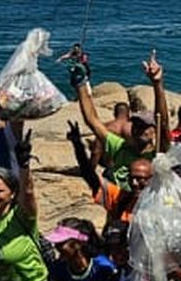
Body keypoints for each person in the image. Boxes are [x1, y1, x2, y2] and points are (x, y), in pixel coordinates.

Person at [72, 52, 169, 190]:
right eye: (136, 125)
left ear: (154, 130)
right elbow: (92, 120)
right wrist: (81, 84)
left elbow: (163, 123)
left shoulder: (158, 153)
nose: (139, 128)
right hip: (121, 206)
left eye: (145, 126)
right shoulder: (120, 147)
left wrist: (157, 83)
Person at [67, 120, 153, 228]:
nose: (135, 183)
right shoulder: (121, 198)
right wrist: (78, 145)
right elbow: (90, 176)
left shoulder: (161, 204)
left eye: (141, 179)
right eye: (132, 178)